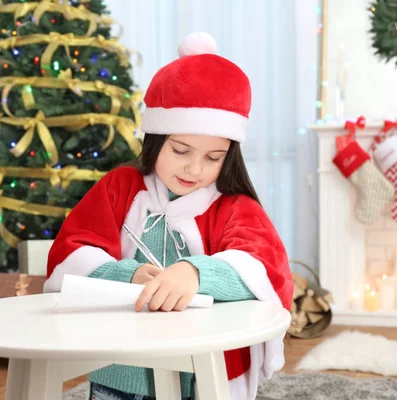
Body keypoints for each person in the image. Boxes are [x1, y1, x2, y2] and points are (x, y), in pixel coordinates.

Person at [44, 32, 293, 400]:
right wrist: (126, 275)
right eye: (181, 150)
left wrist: (195, 273)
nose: (194, 168)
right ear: (157, 138)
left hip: (204, 370)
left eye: (213, 157)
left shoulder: (234, 206)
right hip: (122, 368)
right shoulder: (119, 187)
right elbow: (71, 252)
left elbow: (264, 269)